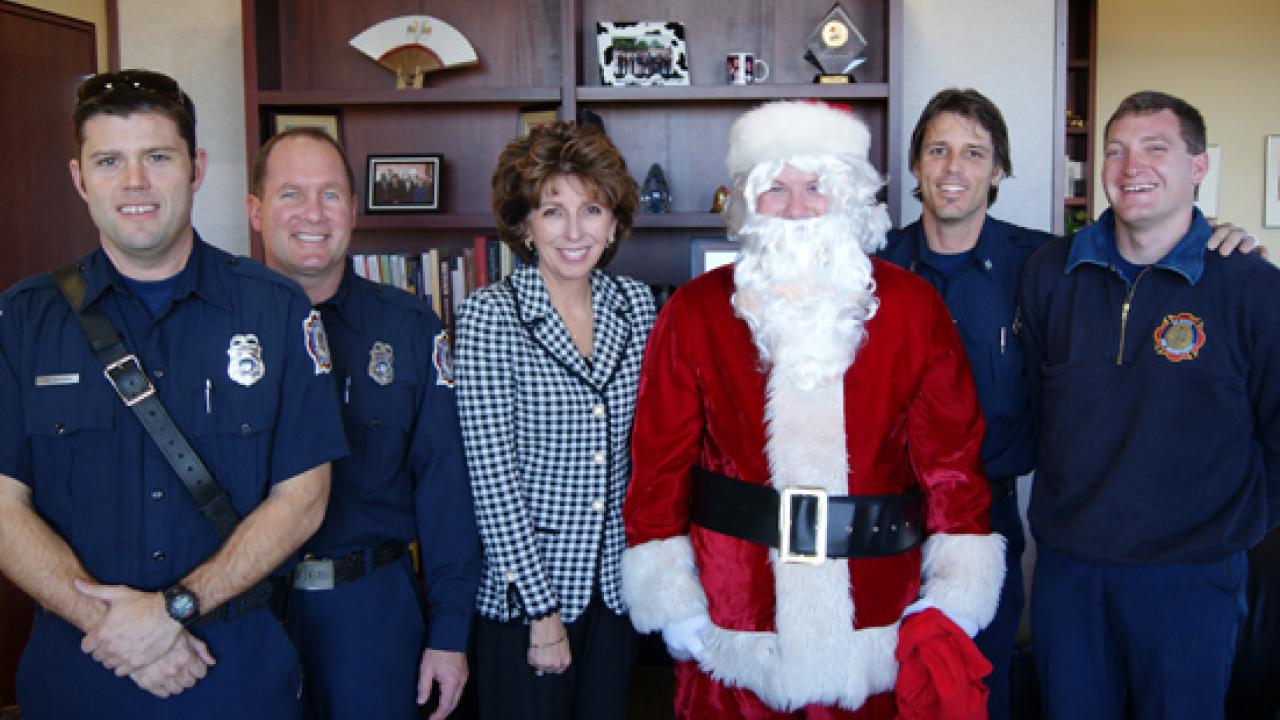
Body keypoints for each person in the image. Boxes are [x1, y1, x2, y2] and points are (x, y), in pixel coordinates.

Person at [880, 87, 1265, 720]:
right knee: (884, 695)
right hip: (888, 519)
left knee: (984, 696)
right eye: (938, 150)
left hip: (993, 520)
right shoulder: (874, 269)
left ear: (999, 169)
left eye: (974, 153)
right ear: (916, 164)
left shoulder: (1042, 264)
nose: (954, 168)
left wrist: (1222, 239)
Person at [621, 99, 1004, 719]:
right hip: (735, 623)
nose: (797, 207)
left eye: (816, 186)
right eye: (775, 188)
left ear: (848, 196)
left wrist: (956, 590)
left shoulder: (913, 308)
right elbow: (657, 464)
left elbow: (953, 464)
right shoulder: (694, 311)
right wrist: (671, 596)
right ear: (748, 201)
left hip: (878, 616)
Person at [0, 69, 346, 718]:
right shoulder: (22, 319)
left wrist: (175, 610)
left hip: (232, 665)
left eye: (158, 157)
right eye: (110, 161)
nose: (135, 183)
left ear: (196, 167)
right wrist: (119, 629)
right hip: (81, 666)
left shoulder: (274, 308)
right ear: (79, 177)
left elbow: (303, 498)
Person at [1019, 90, 1280, 720]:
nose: (1131, 165)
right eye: (1116, 150)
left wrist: (1225, 530)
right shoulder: (1050, 273)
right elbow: (1031, 409)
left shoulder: (1252, 287)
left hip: (1190, 579)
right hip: (1068, 573)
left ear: (1198, 168)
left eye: (1154, 148)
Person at [247, 127, 481, 720]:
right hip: (247, 609)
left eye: (330, 195)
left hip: (371, 611)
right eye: (290, 194)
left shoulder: (408, 327)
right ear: (255, 210)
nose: (312, 214)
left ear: (353, 210)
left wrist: (449, 631)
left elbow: (444, 486)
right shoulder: (215, 328)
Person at [454, 120, 656, 720]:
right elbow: (493, 480)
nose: (574, 232)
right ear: (524, 224)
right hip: (527, 600)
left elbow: (650, 447)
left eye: (591, 209)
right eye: (552, 211)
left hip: (615, 592)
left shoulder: (637, 305)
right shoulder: (490, 316)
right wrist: (542, 615)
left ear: (614, 222)